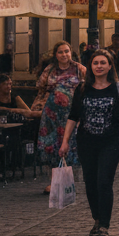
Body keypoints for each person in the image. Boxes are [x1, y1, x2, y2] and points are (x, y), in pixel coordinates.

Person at [60, 49, 119, 236]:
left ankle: (104, 226)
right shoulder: (82, 89)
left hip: (110, 142)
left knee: (104, 182)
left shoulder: (118, 88)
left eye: (103, 63)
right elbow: (73, 116)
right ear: (90, 66)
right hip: (86, 142)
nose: (99, 66)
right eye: (95, 63)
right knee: (90, 183)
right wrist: (65, 140)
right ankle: (96, 218)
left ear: (110, 66)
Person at [35, 42, 86, 192]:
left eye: (67, 51)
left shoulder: (79, 69)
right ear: (55, 55)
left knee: (69, 145)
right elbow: (40, 85)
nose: (64, 55)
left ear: (71, 52)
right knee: (52, 146)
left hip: (71, 113)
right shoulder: (50, 69)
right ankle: (55, 182)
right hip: (52, 114)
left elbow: (89, 86)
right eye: (60, 52)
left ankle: (66, 182)